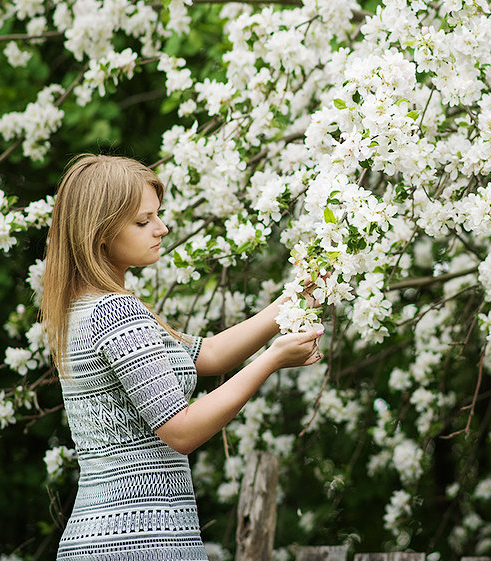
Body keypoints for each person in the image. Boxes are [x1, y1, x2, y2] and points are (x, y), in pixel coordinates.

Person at [40, 153, 323, 560]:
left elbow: (204, 355)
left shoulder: (80, 310)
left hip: (102, 539)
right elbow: (182, 430)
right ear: (99, 233)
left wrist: (294, 301)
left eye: (158, 215)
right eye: (143, 221)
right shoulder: (116, 314)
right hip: (137, 541)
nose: (162, 227)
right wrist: (272, 359)